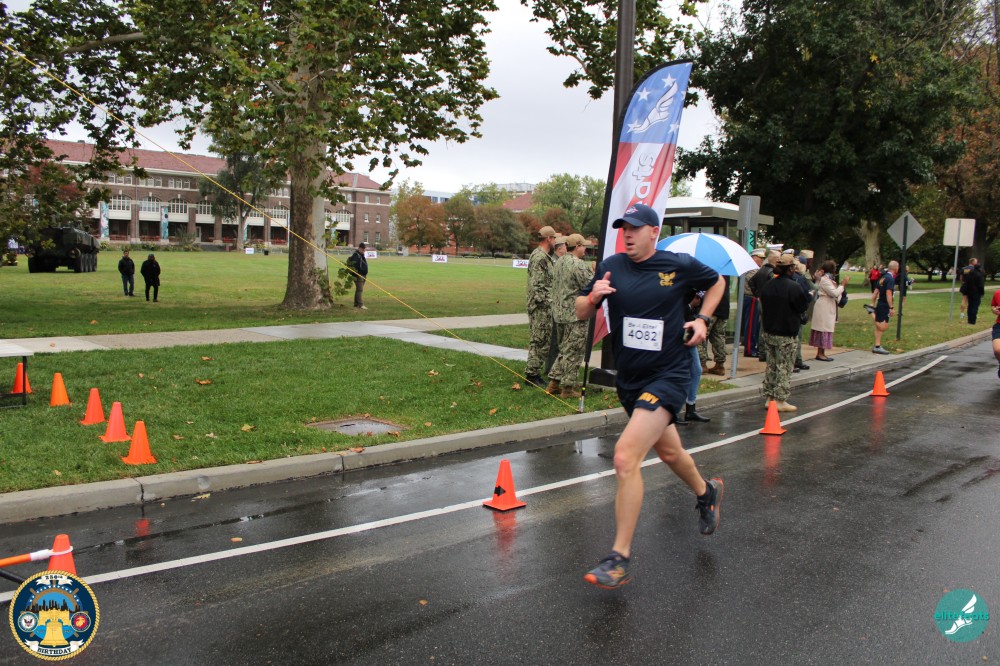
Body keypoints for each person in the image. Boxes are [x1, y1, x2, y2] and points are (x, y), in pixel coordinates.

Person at [575, 203, 726, 589]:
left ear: (653, 232)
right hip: (631, 380)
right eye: (623, 228)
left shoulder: (677, 265)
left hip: (669, 376)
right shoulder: (612, 266)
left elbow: (717, 283)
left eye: (635, 228)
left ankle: (619, 557)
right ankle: (706, 492)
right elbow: (579, 311)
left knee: (625, 457)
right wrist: (593, 298)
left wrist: (702, 319)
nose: (627, 234)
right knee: (670, 453)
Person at [759, 253, 811, 411]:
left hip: (769, 330)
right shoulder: (793, 287)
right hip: (786, 332)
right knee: (784, 366)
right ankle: (780, 399)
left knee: (771, 365)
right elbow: (801, 306)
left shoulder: (768, 285)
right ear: (790, 269)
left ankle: (770, 397)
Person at [548, 233, 594, 398]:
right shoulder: (578, 264)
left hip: (559, 313)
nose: (585, 249)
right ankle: (567, 388)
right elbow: (590, 285)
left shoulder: (560, 261)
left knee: (564, 349)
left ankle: (554, 382)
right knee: (574, 351)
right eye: (584, 246)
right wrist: (595, 272)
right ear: (578, 246)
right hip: (575, 314)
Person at [524, 226, 557, 388]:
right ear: (549, 238)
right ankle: (531, 374)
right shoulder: (540, 257)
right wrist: (548, 302)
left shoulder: (543, 256)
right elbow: (537, 285)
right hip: (541, 307)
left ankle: (534, 372)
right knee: (539, 339)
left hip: (544, 305)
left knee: (543, 339)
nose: (556, 241)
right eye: (554, 238)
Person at [678, 291, 711, 425]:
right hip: (680, 341)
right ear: (695, 298)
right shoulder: (683, 307)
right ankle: (673, 411)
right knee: (678, 374)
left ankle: (690, 408)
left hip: (688, 341)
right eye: (699, 299)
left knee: (696, 370)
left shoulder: (691, 308)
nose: (700, 302)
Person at [809, 260, 849, 361]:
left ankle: (822, 352)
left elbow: (836, 295)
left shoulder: (829, 280)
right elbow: (834, 293)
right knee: (823, 328)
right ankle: (820, 353)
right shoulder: (825, 280)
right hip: (824, 306)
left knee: (826, 328)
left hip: (828, 305)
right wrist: (843, 285)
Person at [749, 250, 779, 362]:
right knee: (768, 328)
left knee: (762, 326)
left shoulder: (761, 270)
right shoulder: (771, 273)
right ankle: (765, 351)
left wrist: (757, 294)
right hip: (769, 303)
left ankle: (762, 351)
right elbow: (774, 287)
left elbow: (751, 282)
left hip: (762, 301)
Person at [699, 275, 730, 376]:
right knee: (719, 336)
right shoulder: (726, 272)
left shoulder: (709, 272)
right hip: (723, 306)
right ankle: (720, 365)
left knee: (702, 335)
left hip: (710, 308)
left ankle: (702, 364)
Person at [866, 260, 898, 354]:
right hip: (884, 305)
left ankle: (877, 346)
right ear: (896, 268)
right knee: (883, 327)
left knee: (880, 328)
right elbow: (889, 293)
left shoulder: (882, 277)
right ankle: (872, 312)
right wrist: (891, 307)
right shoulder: (890, 279)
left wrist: (872, 302)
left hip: (880, 304)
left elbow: (876, 292)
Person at [741, 248, 767, 358]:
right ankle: (749, 349)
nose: (762, 260)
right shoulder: (752, 270)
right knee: (751, 325)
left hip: (753, 298)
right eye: (760, 258)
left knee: (754, 324)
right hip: (751, 298)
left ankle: (752, 347)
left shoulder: (756, 269)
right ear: (754, 258)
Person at [346, 242, 369, 310]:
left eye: (364, 249)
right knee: (360, 289)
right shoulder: (356, 256)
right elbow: (355, 266)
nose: (363, 250)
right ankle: (360, 304)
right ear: (359, 248)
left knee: (358, 290)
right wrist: (358, 274)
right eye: (362, 249)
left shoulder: (362, 255)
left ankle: (356, 303)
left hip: (363, 275)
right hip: (358, 275)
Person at [963, 258, 986, 325]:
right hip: (976, 292)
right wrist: (982, 293)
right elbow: (981, 285)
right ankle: (972, 320)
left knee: (970, 305)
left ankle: (969, 319)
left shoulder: (970, 273)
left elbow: (966, 281)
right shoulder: (979, 275)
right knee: (975, 306)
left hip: (969, 291)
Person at [991, 288, 1000, 378]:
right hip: (999, 326)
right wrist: (994, 310)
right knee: (997, 350)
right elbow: (993, 306)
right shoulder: (998, 293)